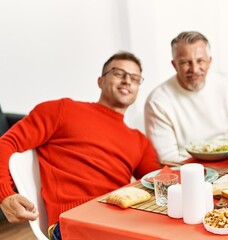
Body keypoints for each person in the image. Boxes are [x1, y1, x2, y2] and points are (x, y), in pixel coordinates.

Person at [0, 51, 161, 239]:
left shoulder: (139, 140)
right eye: (118, 73)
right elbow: (6, 143)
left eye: (135, 78)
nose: (127, 81)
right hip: (76, 222)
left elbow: (158, 181)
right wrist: (4, 194)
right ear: (100, 81)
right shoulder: (62, 110)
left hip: (124, 221)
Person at [144, 31, 228, 162]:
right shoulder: (157, 101)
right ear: (174, 65)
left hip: (227, 161)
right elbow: (167, 158)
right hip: (184, 169)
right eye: (185, 62)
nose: (195, 69)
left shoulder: (227, 88)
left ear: (209, 61)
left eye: (200, 61)